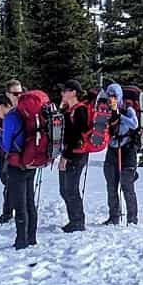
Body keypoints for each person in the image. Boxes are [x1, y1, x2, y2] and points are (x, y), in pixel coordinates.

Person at [0, 85, 39, 249]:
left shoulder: (12, 117)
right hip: (32, 160)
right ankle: (31, 238)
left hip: (18, 163)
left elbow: (8, 146)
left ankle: (21, 240)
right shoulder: (28, 113)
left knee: (20, 203)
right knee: (29, 201)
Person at [101, 82, 139, 226]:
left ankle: (132, 219)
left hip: (127, 150)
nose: (111, 99)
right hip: (112, 149)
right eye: (109, 95)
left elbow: (134, 124)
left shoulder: (128, 109)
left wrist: (118, 114)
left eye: (114, 96)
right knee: (111, 185)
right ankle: (114, 217)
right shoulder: (104, 110)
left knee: (126, 185)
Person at [57, 81, 92, 232]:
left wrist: (66, 156)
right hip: (69, 153)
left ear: (73, 92)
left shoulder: (80, 111)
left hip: (76, 155)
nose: (62, 93)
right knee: (65, 189)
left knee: (70, 189)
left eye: (64, 91)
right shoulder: (68, 110)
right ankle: (75, 220)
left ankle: (78, 222)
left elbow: (77, 136)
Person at [0, 79, 23, 225]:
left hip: (20, 155)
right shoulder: (1, 108)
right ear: (7, 94)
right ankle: (8, 212)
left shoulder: (23, 109)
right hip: (7, 154)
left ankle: (15, 215)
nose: (19, 96)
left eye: (21, 92)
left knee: (16, 186)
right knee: (6, 182)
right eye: (15, 93)